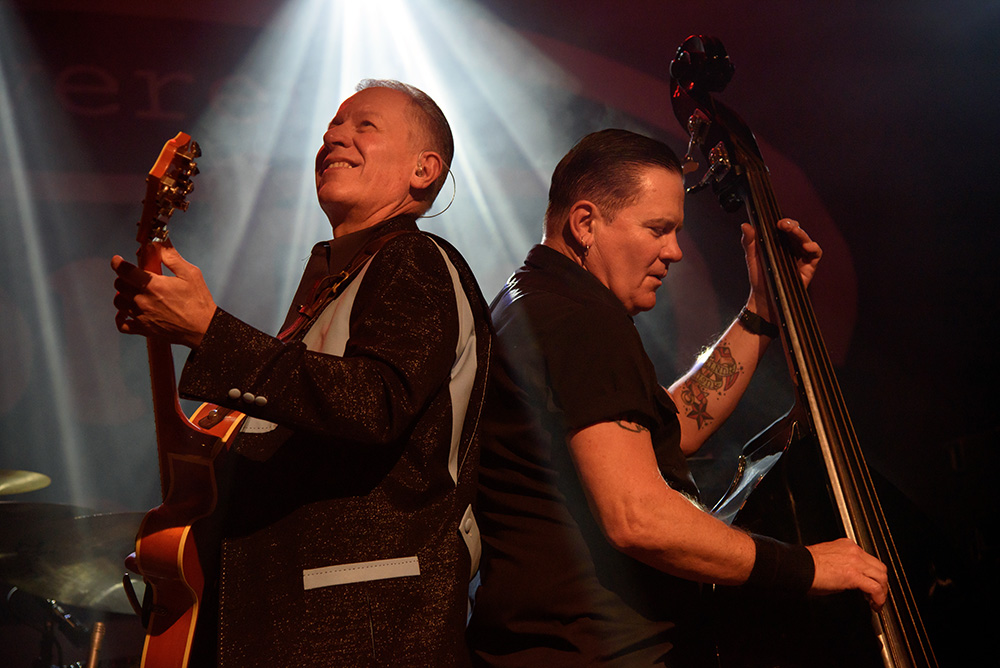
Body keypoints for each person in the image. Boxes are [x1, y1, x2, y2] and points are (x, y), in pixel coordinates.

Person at [465, 129, 888, 666]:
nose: (676, 252)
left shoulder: (532, 299)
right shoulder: (581, 320)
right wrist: (805, 567)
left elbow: (672, 426)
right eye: (657, 229)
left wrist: (759, 312)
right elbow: (638, 515)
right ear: (586, 223)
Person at [112, 80, 491, 666]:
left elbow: (375, 404)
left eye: (364, 125)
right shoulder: (336, 280)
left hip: (364, 628)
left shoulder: (414, 259)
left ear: (424, 168)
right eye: (331, 127)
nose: (332, 136)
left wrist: (210, 333)